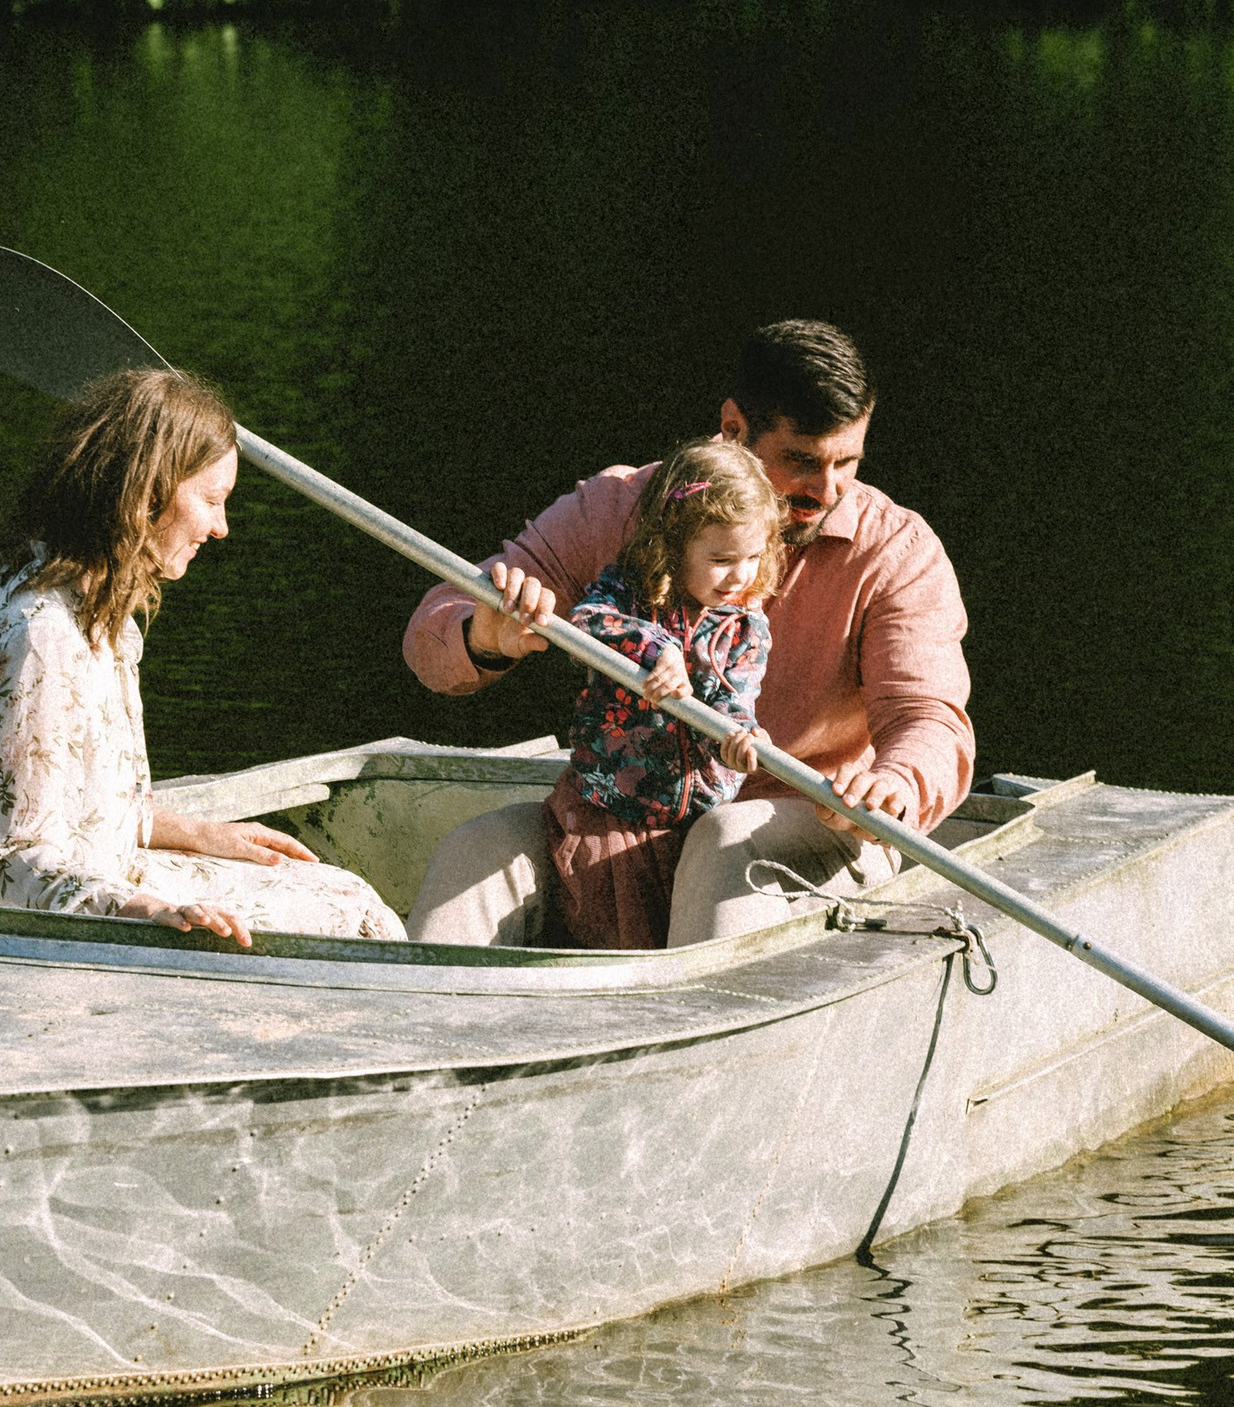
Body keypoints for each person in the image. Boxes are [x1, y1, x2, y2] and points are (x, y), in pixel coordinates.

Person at [401, 319, 972, 947]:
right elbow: (438, 624)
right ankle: (408, 1033)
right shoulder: (619, 506)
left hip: (807, 824)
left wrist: (894, 784)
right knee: (476, 848)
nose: (826, 491)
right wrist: (484, 636)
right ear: (732, 428)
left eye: (848, 463)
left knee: (722, 842)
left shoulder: (897, 550)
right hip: (624, 812)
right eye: (801, 462)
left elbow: (928, 718)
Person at [0, 368, 405, 947]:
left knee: (341, 891)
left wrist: (199, 833)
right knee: (349, 920)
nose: (221, 528)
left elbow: (78, 812)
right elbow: (14, 861)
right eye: (212, 500)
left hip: (74, 885)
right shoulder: (44, 637)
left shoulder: (90, 603)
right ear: (145, 497)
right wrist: (147, 909)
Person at [545, 436, 781, 949]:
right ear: (674, 544)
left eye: (753, 556)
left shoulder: (746, 625)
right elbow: (584, 622)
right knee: (614, 941)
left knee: (679, 935)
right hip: (612, 807)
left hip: (692, 819)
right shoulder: (627, 589)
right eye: (722, 559)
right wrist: (655, 649)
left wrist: (738, 738)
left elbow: (733, 698)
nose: (741, 575)